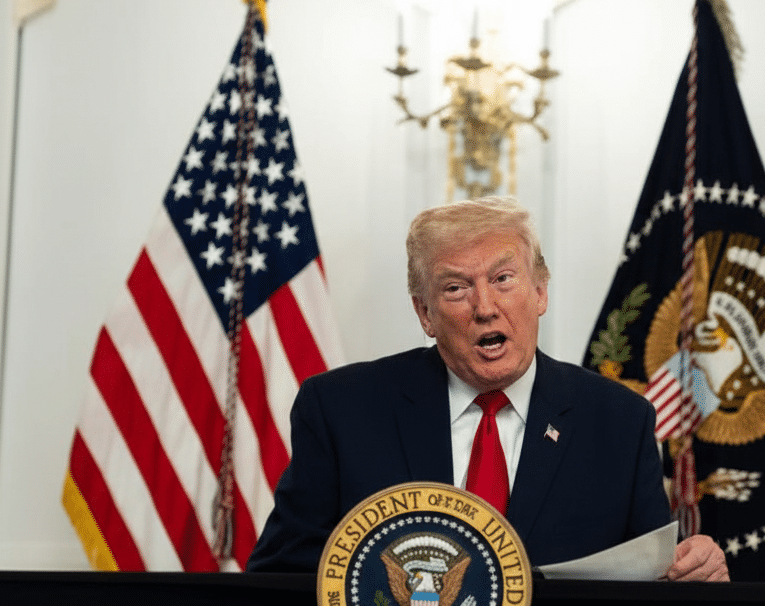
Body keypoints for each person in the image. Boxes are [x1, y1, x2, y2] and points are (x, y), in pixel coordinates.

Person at [247, 196, 728, 582]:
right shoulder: (341, 410)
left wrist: (693, 574)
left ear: (539, 292)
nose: (485, 307)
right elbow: (279, 578)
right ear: (425, 314)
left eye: (503, 279)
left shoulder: (619, 421)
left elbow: (652, 580)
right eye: (456, 288)